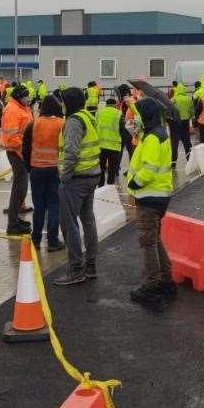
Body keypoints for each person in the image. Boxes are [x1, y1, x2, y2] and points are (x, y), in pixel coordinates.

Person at [126, 97, 175, 305]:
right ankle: (165, 279)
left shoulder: (153, 137)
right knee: (154, 239)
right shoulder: (156, 133)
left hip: (149, 195)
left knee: (147, 241)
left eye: (139, 114)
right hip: (158, 195)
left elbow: (149, 168)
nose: (137, 117)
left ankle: (152, 284)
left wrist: (135, 184)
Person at [54, 87, 101, 286]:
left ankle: (76, 268)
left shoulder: (73, 122)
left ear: (70, 102)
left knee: (69, 223)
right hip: (92, 174)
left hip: (76, 179)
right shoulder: (87, 116)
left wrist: (64, 177)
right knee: (87, 220)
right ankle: (90, 265)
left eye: (63, 101)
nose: (62, 104)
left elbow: (71, 153)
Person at [21, 95, 66, 252]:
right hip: (55, 170)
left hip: (36, 170)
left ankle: (36, 240)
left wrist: (29, 167)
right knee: (54, 205)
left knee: (39, 206)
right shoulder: (62, 124)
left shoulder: (33, 124)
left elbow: (25, 149)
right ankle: (53, 241)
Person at [0, 84, 34, 235]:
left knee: (20, 189)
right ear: (20, 97)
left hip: (22, 152)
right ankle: (12, 225)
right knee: (20, 189)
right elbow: (12, 138)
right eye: (26, 96)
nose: (29, 98)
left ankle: (15, 219)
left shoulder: (22, 107)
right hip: (17, 153)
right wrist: (25, 150)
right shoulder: (12, 110)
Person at [96, 98, 123, 186]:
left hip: (100, 146)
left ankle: (100, 186)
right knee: (112, 169)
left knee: (101, 168)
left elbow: (95, 126)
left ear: (106, 104)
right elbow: (123, 129)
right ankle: (110, 186)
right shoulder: (118, 113)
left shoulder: (99, 113)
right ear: (115, 104)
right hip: (114, 146)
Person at [171, 85, 194, 166]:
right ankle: (190, 159)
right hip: (185, 122)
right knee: (187, 141)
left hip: (175, 122)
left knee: (174, 143)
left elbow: (170, 110)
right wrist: (190, 117)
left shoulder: (173, 99)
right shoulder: (188, 98)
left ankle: (173, 162)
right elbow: (192, 111)